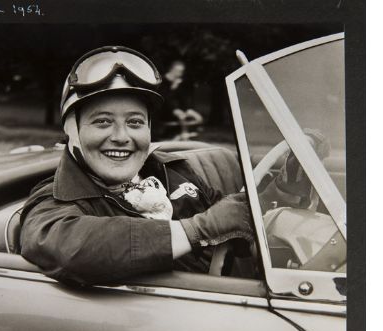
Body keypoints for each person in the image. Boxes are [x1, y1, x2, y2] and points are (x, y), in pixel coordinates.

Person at [19, 46, 254, 286]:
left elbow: (229, 214)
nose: (121, 136)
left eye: (135, 122)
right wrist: (197, 230)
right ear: (73, 130)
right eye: (102, 121)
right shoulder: (54, 200)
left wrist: (278, 194)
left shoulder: (172, 170)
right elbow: (69, 246)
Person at [156, 60, 204, 140]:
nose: (181, 73)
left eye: (182, 71)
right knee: (181, 116)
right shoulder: (163, 81)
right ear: (172, 70)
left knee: (198, 118)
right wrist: (173, 88)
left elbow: (184, 99)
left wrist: (188, 109)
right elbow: (164, 99)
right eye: (179, 71)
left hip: (180, 108)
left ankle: (188, 134)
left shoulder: (180, 81)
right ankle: (184, 134)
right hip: (166, 109)